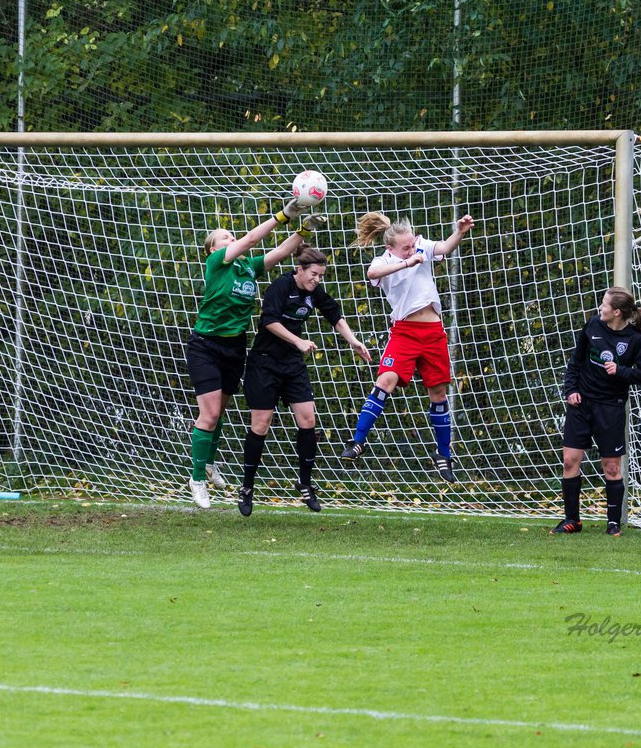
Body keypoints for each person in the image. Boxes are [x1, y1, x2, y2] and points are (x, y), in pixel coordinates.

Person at [185, 195, 311, 508]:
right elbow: (253, 237)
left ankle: (208, 462)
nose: (231, 237)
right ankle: (196, 478)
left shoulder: (247, 268)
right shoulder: (217, 264)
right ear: (214, 249)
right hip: (205, 345)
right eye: (224, 237)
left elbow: (281, 252)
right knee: (210, 414)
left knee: (219, 411)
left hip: (235, 346)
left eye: (231, 234)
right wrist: (283, 215)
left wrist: (304, 231)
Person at [339, 212, 475, 482]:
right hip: (404, 332)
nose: (412, 249)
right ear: (391, 248)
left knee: (438, 393)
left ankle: (443, 455)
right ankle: (357, 441)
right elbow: (372, 272)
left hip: (433, 332)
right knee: (385, 380)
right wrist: (407, 262)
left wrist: (459, 231)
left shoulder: (422, 246)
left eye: (413, 244)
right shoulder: (384, 260)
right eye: (406, 247)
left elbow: (445, 247)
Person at [237, 246, 371, 516]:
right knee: (261, 425)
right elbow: (268, 321)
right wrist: (298, 341)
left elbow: (335, 315)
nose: (317, 280)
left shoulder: (314, 292)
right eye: (314, 274)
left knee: (308, 420)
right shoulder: (281, 286)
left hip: (292, 364)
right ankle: (247, 487)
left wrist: (354, 341)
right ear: (300, 270)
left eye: (321, 276)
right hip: (264, 363)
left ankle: (305, 483)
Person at [551, 286, 641, 536]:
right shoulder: (592, 326)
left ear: (616, 312)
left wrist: (621, 372)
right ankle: (572, 520)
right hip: (581, 404)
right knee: (569, 461)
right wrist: (571, 390)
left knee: (611, 467)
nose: (600, 308)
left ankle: (613, 523)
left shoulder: (635, 340)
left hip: (611, 408)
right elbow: (576, 361)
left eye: (604, 304)